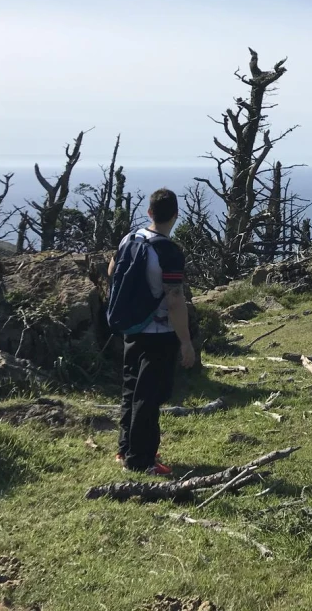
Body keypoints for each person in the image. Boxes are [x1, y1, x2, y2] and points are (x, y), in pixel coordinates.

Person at [108, 188, 196, 475]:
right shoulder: (168, 251)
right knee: (150, 395)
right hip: (159, 332)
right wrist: (186, 342)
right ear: (175, 215)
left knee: (131, 388)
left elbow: (112, 270)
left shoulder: (130, 238)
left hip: (132, 326)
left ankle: (126, 449)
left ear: (149, 213)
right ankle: (142, 460)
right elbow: (174, 299)